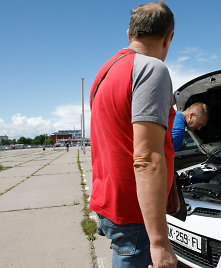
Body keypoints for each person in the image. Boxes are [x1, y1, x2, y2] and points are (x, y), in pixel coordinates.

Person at [89, 1, 177, 268]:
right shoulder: (151, 69)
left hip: (108, 200)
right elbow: (147, 159)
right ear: (168, 37)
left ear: (129, 33)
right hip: (134, 213)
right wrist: (160, 243)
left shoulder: (104, 73)